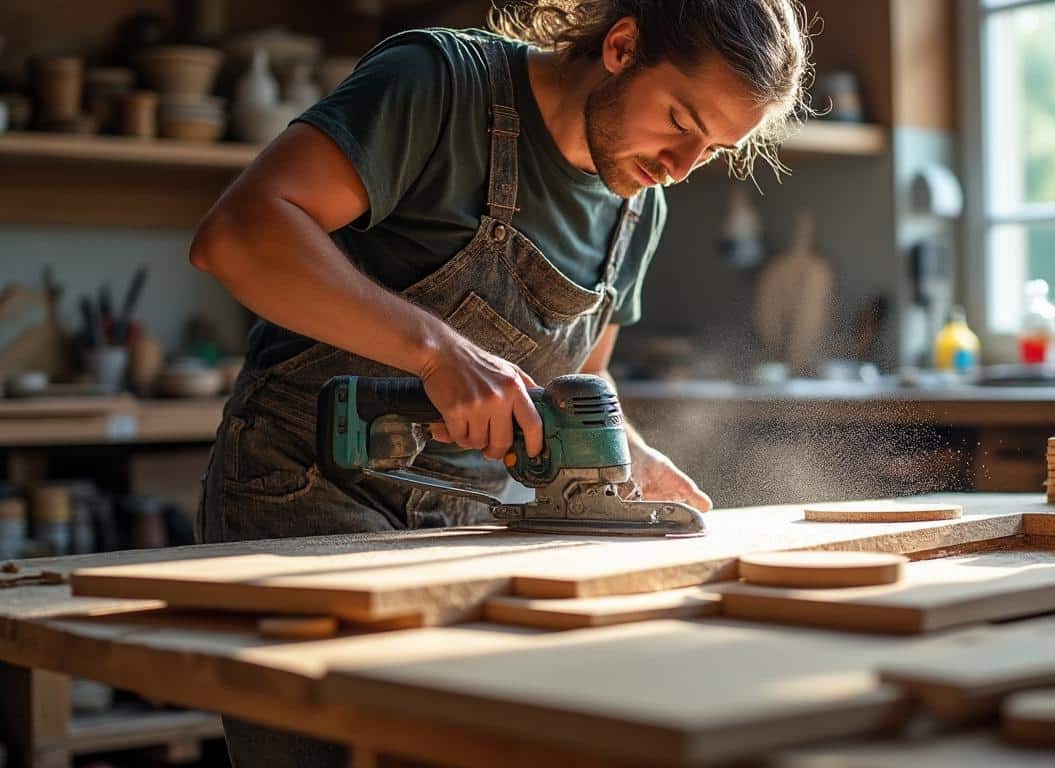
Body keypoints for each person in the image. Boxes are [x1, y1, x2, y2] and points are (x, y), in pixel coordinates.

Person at [188, 0, 812, 763]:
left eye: (713, 150)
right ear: (621, 46)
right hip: (306, 494)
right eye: (682, 119)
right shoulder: (440, 84)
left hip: (470, 525)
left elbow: (584, 375)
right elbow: (238, 235)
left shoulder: (637, 208)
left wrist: (623, 451)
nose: (681, 167)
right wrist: (437, 352)